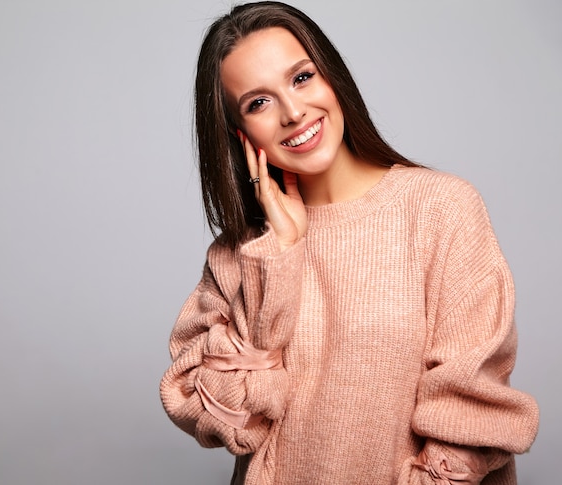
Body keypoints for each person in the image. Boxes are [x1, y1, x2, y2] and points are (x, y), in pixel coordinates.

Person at [159, 2, 539, 484]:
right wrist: (280, 255)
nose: (294, 113)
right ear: (240, 134)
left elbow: (468, 417)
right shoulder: (241, 254)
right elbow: (232, 417)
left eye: (301, 78)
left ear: (332, 77)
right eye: (259, 102)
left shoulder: (441, 209)